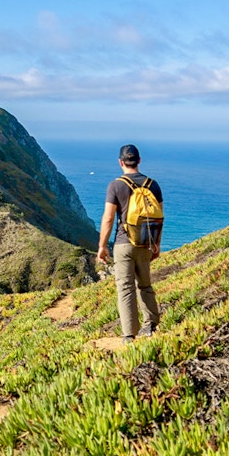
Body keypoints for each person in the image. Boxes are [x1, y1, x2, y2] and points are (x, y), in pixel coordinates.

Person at [97, 144, 162, 343]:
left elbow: (108, 219)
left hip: (123, 244)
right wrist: (156, 243)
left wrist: (102, 246)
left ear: (121, 162)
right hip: (145, 243)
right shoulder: (153, 185)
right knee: (145, 285)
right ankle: (150, 325)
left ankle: (128, 335)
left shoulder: (116, 185)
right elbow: (159, 217)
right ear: (139, 161)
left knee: (125, 288)